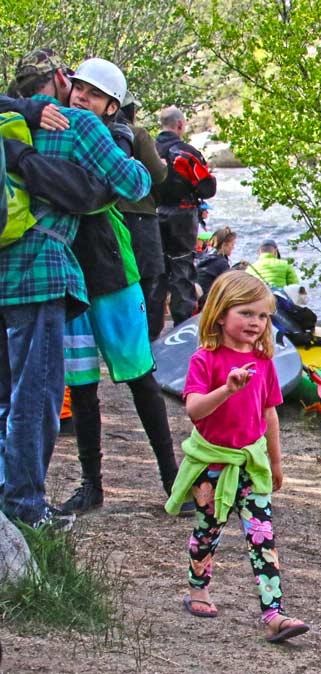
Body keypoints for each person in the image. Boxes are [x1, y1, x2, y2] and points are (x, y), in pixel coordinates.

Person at [1, 48, 150, 530]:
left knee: (6, 393)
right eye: (77, 88)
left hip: (3, 266)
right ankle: (23, 504)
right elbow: (137, 181)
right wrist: (114, 150)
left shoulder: (8, 123)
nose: (79, 97)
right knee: (37, 393)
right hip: (41, 269)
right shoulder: (78, 127)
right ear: (61, 81)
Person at [54, 58, 184, 516]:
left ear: (112, 106)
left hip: (113, 274)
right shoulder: (61, 125)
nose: (81, 97)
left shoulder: (117, 138)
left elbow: (95, 189)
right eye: (79, 90)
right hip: (70, 276)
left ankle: (173, 479)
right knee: (82, 385)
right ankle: (91, 485)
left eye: (93, 93)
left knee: (139, 378)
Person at [164, 270, 309, 643]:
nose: (255, 323)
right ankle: (198, 589)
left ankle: (274, 614)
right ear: (220, 314)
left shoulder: (264, 364)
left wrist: (276, 462)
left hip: (252, 464)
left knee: (263, 537)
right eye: (246, 313)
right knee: (208, 531)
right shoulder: (205, 359)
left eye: (262, 316)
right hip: (212, 465)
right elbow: (195, 410)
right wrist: (226, 389)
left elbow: (269, 414)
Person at [148, 105, 215, 339]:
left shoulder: (148, 149)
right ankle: (183, 328)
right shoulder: (186, 152)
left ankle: (152, 331)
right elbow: (208, 188)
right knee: (182, 268)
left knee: (157, 272)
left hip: (153, 213)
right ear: (180, 125)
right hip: (183, 214)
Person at [114, 92, 168, 317]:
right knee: (148, 278)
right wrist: (164, 165)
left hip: (106, 217)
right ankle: (147, 337)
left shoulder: (91, 131)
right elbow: (158, 174)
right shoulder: (138, 134)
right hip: (139, 215)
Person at [196, 226, 236, 304]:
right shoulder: (221, 263)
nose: (233, 247)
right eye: (232, 244)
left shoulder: (207, 256)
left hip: (198, 297)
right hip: (206, 301)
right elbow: (230, 286)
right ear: (224, 245)